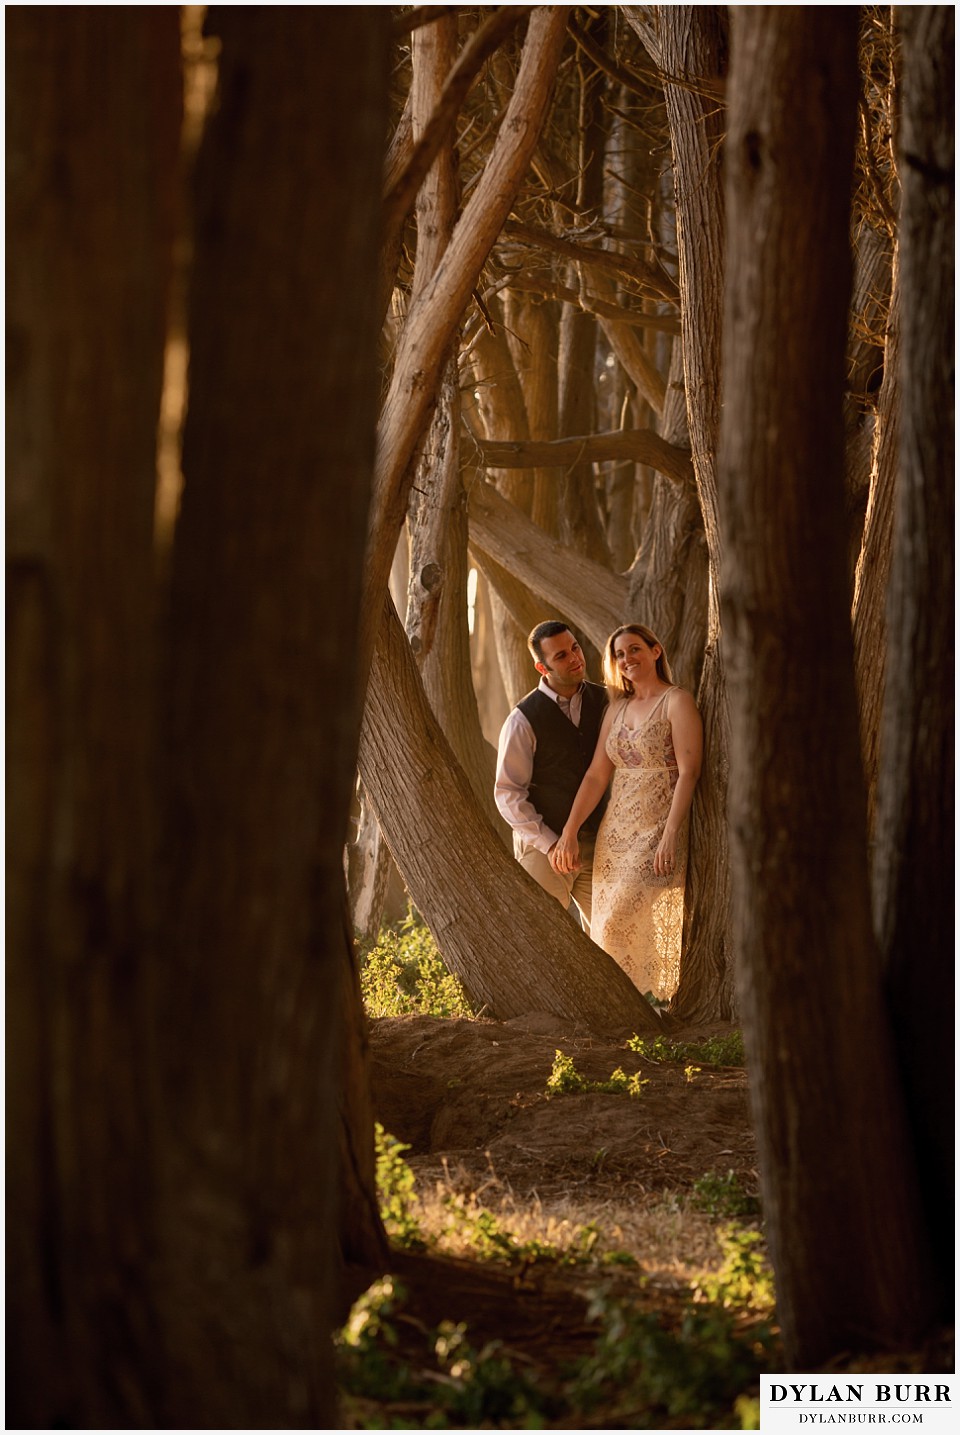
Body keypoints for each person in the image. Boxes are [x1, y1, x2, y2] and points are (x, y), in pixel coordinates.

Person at [551, 623, 702, 1002]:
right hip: (615, 832)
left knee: (621, 919)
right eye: (619, 654)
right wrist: (570, 830)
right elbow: (596, 775)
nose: (626, 659)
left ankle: (647, 1003)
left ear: (655, 651)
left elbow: (689, 772)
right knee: (605, 924)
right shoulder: (616, 709)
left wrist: (670, 834)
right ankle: (623, 1008)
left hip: (658, 827)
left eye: (634, 649)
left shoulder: (676, 702)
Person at [494, 621, 609, 930]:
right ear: (542, 667)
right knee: (544, 933)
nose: (575, 658)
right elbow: (508, 792)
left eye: (575, 648)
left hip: (600, 843)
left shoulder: (607, 701)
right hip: (544, 845)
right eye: (561, 656)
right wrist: (551, 844)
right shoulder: (522, 720)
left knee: (611, 937)